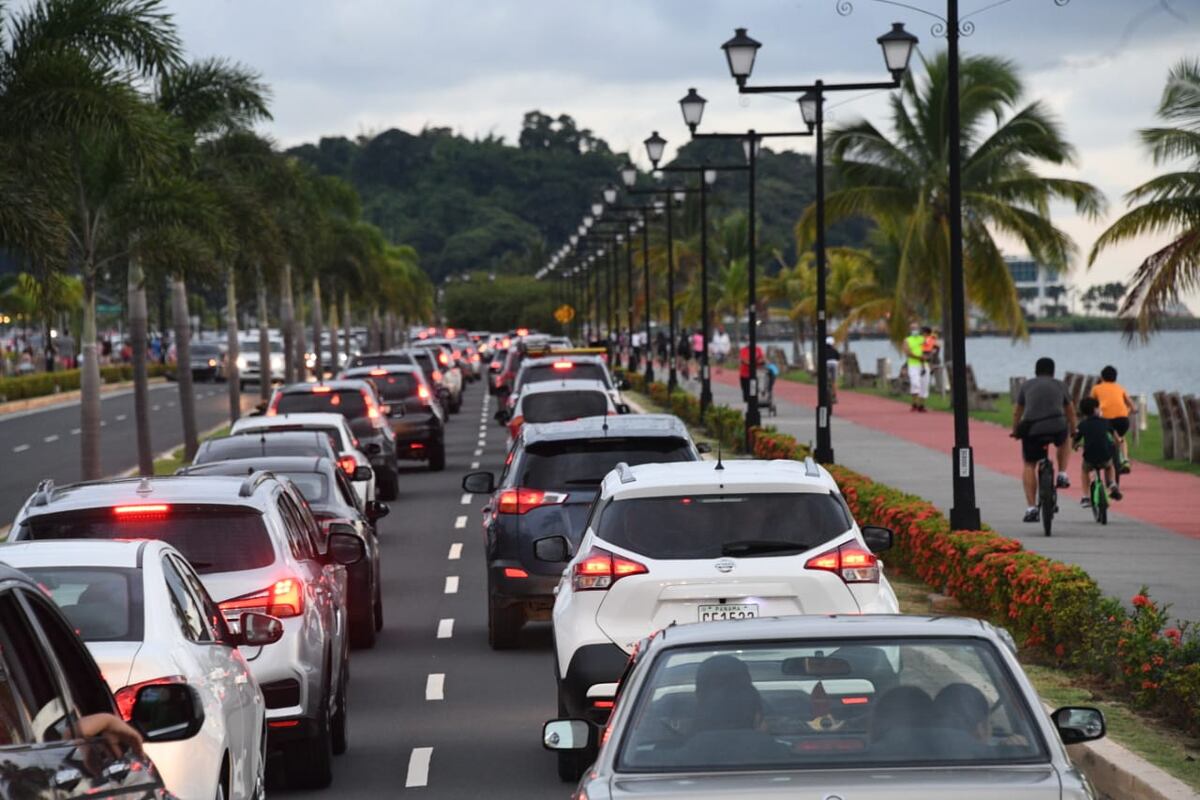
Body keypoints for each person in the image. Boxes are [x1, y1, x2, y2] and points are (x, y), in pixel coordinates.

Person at [1012, 357, 1076, 523]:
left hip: (1033, 429)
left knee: (1029, 465)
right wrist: (1074, 429)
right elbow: (1070, 411)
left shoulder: (1026, 385)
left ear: (1036, 371)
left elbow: (1017, 412)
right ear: (1053, 372)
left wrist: (1015, 430)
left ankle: (1031, 508)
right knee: (1065, 436)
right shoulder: (1060, 385)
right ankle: (1062, 473)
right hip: (1057, 426)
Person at [1074, 397, 1123, 505]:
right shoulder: (1106, 422)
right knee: (1109, 466)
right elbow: (1117, 438)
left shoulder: (1082, 425)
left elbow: (1075, 439)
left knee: (1084, 470)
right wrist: (1118, 442)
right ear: (1096, 409)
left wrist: (1075, 445)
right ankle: (1112, 483)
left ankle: (1086, 497)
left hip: (1089, 458)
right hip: (1105, 456)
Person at [1091, 365, 1136, 472]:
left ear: (1102, 377)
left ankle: (1102, 460)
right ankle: (1125, 460)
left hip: (1105, 420)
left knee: (1102, 438)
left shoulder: (1096, 388)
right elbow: (1133, 406)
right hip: (1122, 420)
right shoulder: (1120, 388)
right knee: (1121, 438)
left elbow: (1090, 404)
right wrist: (1127, 412)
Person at [904, 324, 929, 412]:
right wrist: (918, 357)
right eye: (913, 328)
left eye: (916, 328)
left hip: (923, 365)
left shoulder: (922, 339)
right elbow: (907, 352)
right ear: (910, 330)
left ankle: (921, 405)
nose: (915, 330)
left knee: (924, 385)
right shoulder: (907, 340)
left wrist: (927, 356)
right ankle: (915, 403)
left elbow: (930, 347)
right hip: (913, 365)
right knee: (915, 383)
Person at [824, 335, 841, 404]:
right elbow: (838, 359)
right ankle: (834, 396)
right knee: (834, 381)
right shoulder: (834, 350)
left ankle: (826, 395)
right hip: (834, 364)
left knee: (826, 380)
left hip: (826, 364)